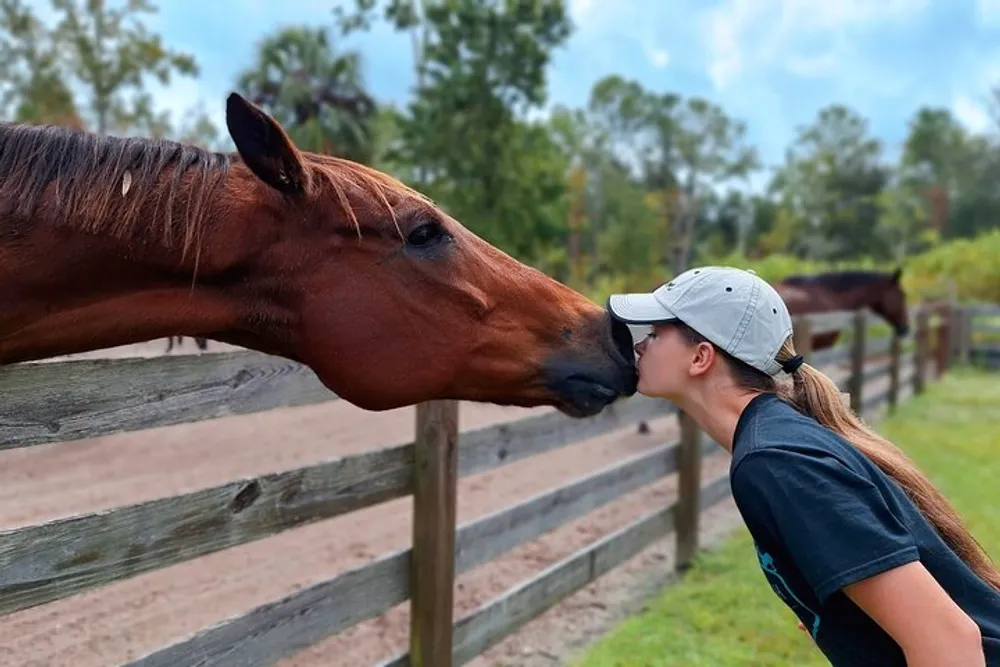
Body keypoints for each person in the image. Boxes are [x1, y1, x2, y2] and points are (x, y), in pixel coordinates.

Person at [606, 265, 1000, 667]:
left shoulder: (777, 462)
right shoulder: (777, 440)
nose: (640, 345)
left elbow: (953, 646)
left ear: (701, 356)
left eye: (654, 333)